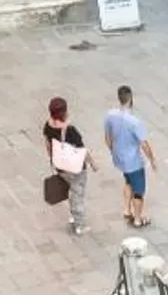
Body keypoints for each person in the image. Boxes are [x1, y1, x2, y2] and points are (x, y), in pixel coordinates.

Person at [103, 84, 159, 228]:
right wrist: (152, 159)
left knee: (128, 181)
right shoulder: (135, 122)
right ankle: (138, 219)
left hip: (119, 158)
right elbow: (144, 144)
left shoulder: (110, 115)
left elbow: (108, 138)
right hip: (133, 162)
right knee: (139, 191)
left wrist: (113, 151)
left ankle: (127, 210)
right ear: (130, 99)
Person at [43, 96, 90, 236]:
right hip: (75, 168)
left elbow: (47, 144)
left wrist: (52, 159)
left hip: (60, 166)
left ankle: (73, 217)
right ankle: (79, 224)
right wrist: (93, 164)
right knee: (77, 193)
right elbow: (82, 150)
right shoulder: (70, 130)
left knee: (71, 190)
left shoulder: (48, 126)